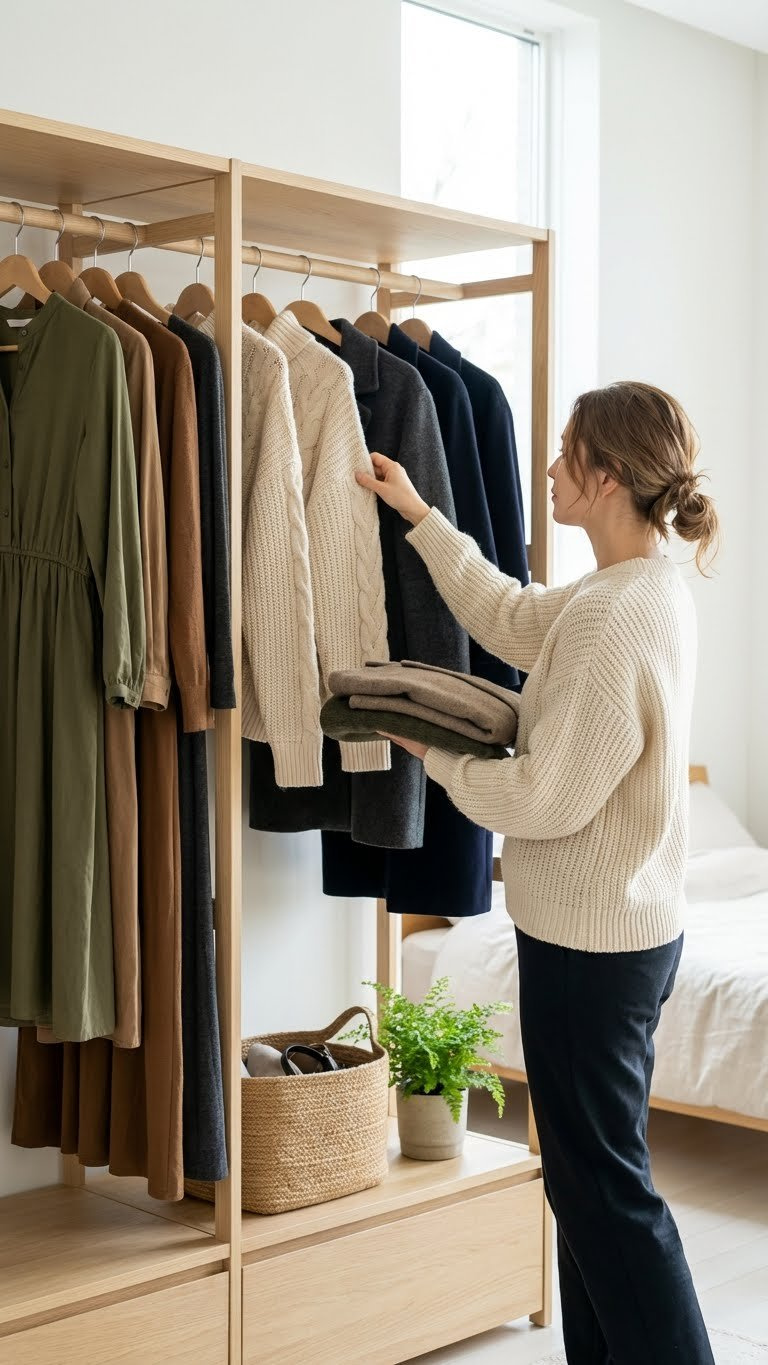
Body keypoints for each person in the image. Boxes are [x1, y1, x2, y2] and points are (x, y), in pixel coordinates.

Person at [356, 381, 720, 1365]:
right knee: (591, 1184)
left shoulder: (616, 619)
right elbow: (514, 617)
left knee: (607, 1192)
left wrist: (429, 752)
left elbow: (543, 800)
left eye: (565, 454)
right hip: (613, 937)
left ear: (604, 476)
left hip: (594, 949)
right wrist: (424, 518)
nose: (550, 469)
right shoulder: (631, 593)